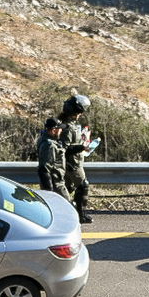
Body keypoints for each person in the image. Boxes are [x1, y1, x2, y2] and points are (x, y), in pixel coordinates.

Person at [57, 94, 97, 224]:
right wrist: (82, 147)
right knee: (83, 186)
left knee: (68, 189)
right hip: (72, 164)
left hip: (72, 163)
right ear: (76, 112)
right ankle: (81, 215)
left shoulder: (69, 124)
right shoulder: (68, 127)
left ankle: (65, 214)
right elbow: (64, 148)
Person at [36, 118, 70, 201]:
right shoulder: (50, 145)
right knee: (67, 206)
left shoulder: (45, 139)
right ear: (53, 130)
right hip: (56, 185)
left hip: (56, 183)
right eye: (59, 129)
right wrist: (49, 192)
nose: (61, 131)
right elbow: (44, 169)